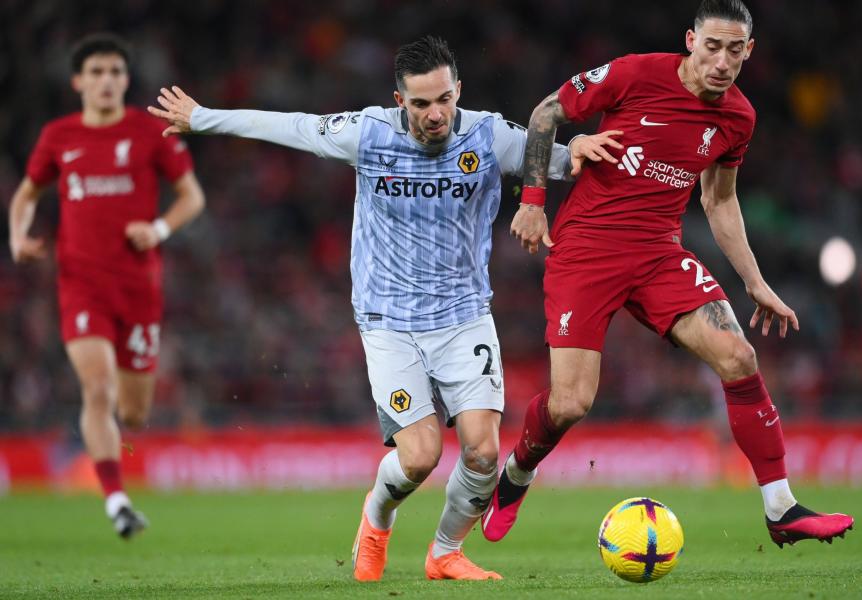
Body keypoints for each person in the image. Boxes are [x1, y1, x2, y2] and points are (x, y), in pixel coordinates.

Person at [147, 36, 619, 580]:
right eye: (420, 104)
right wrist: (203, 117)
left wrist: (577, 152)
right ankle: (376, 519)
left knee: (484, 454)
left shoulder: (487, 135)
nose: (435, 113)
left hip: (464, 314)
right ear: (400, 101)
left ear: (458, 90)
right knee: (419, 457)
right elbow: (293, 126)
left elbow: (553, 160)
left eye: (444, 99)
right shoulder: (368, 133)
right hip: (389, 321)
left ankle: (445, 553)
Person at [483, 0, 854, 549]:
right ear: (690, 41)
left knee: (738, 355)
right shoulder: (635, 74)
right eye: (712, 46)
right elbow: (545, 114)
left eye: (735, 50)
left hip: (658, 252)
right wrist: (533, 200)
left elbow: (720, 201)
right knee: (571, 404)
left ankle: (781, 508)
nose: (722, 61)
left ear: (748, 51)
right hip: (587, 249)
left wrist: (755, 282)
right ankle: (516, 475)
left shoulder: (738, 118)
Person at [8, 33, 205, 538]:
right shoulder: (58, 136)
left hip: (139, 288)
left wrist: (158, 229)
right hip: (81, 285)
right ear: (78, 81)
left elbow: (191, 197)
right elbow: (26, 194)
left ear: (126, 80)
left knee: (134, 414)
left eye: (115, 72)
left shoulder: (148, 132)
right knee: (96, 387)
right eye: (96, 72)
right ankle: (116, 501)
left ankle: (113, 439)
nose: (106, 81)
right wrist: (17, 234)